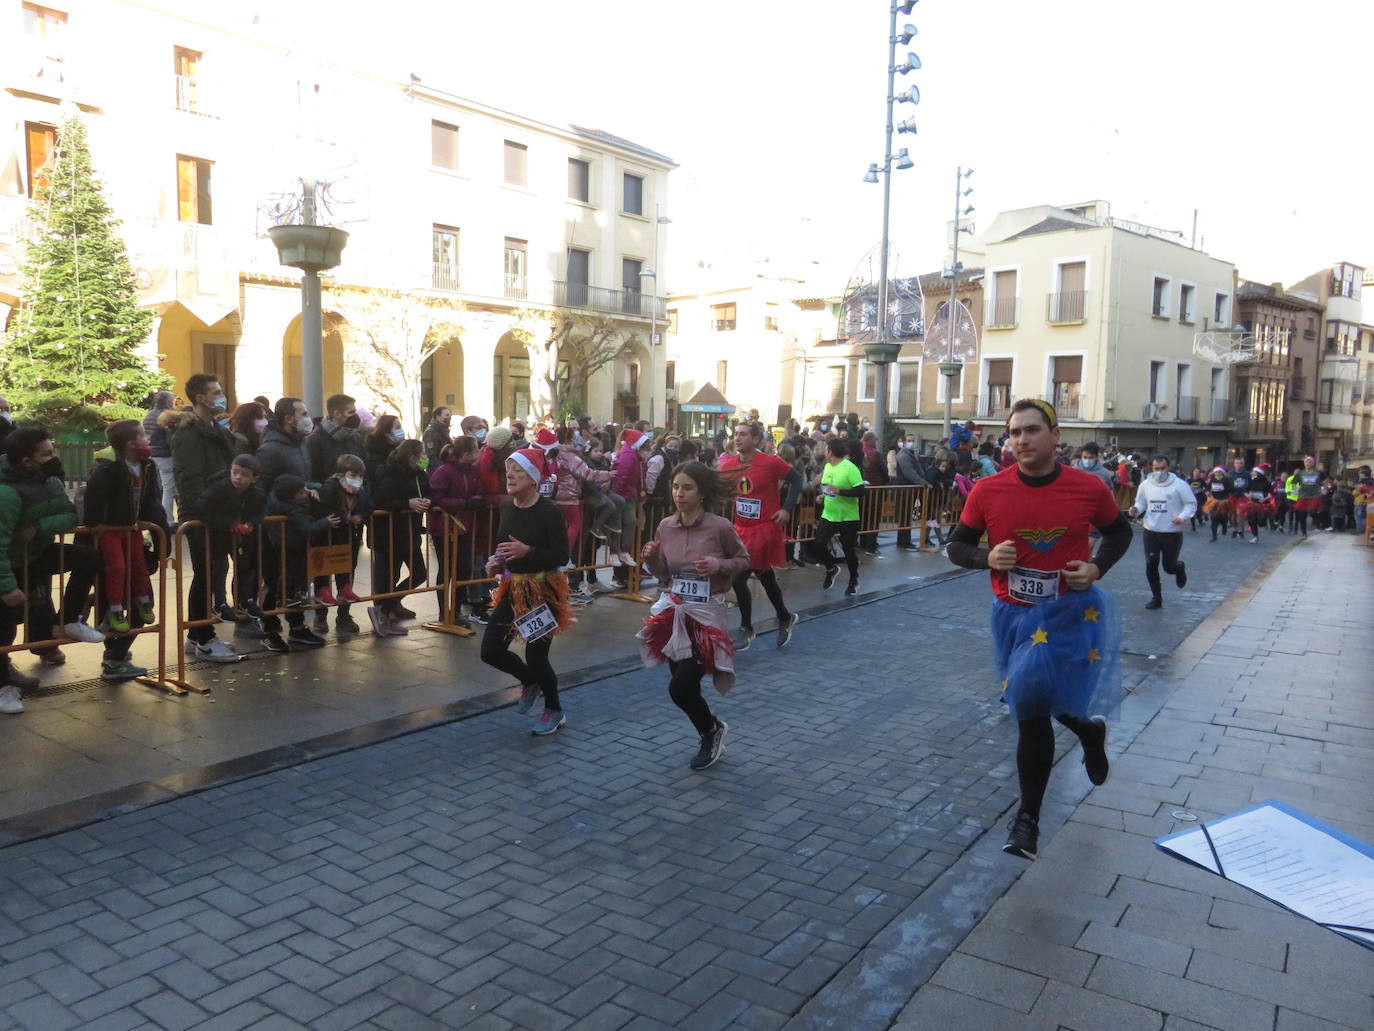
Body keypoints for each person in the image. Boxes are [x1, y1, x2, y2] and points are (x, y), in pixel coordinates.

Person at [947, 398, 1132, 860]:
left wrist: (1095, 568)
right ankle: (1088, 732)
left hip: (1070, 613)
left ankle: (1026, 821)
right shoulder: (988, 490)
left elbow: (1120, 532)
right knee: (1031, 697)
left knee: (1028, 701)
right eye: (1014, 433)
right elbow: (957, 546)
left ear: (1054, 435)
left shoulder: (1087, 487)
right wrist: (984, 558)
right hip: (1011, 614)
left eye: (1031, 430)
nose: (1022, 440)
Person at [638, 461, 750, 769]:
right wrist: (651, 560)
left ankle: (709, 732)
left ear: (701, 493)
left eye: (687, 488)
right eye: (675, 487)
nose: (679, 494)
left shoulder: (719, 527)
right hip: (675, 614)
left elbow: (743, 559)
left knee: (680, 686)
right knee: (683, 685)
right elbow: (664, 575)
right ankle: (711, 728)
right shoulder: (665, 526)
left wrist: (718, 566)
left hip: (706, 617)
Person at [0, 427, 106, 712]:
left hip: (34, 554)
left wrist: (38, 529)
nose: (54, 457)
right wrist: (7, 586)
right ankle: (2, 687)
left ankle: (69, 619)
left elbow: (70, 515)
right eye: (46, 454)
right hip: (7, 563)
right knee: (3, 625)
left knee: (88, 558)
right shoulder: (6, 494)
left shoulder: (50, 482)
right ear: (26, 461)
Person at [480, 447, 572, 735]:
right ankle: (529, 681)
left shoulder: (549, 512)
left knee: (537, 655)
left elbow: (561, 555)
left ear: (533, 478)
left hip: (544, 591)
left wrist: (528, 551)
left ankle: (554, 709)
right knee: (491, 651)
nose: (510, 475)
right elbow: (503, 548)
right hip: (513, 587)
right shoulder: (506, 507)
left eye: (517, 470)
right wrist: (496, 563)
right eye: (508, 470)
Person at [162, 373, 240, 663]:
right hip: (202, 515)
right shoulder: (188, 434)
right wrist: (204, 510)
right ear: (200, 398)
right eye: (216, 391)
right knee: (206, 575)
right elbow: (189, 478)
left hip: (219, 511)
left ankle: (197, 635)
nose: (222, 395)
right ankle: (203, 637)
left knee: (212, 574)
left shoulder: (214, 430)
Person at [717, 422, 801, 649]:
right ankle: (785, 616)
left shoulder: (770, 462)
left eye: (743, 434)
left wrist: (787, 509)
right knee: (765, 576)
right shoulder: (729, 465)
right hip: (741, 529)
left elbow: (797, 479)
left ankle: (746, 628)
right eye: (735, 434)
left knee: (738, 577)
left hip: (764, 529)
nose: (737, 438)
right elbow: (719, 489)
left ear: (756, 440)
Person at [84, 420, 167, 635]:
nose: (148, 438)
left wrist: (147, 519)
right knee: (117, 567)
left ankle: (142, 600)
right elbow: (93, 497)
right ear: (131, 443)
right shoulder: (108, 466)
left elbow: (151, 496)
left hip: (132, 527)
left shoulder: (147, 464)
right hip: (110, 529)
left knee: (138, 563)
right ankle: (114, 608)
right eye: (143, 435)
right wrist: (95, 523)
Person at [306, 395, 364, 632]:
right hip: (327, 511)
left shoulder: (354, 438)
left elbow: (362, 468)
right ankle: (321, 614)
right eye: (350, 411)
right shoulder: (316, 440)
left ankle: (344, 613)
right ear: (337, 413)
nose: (354, 415)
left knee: (346, 562)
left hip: (351, 509)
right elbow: (313, 476)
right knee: (323, 564)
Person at [369, 438, 432, 636]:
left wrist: (429, 501)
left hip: (410, 533)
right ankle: (382, 612)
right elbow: (380, 501)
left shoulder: (419, 474)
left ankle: (388, 605)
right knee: (388, 576)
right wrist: (407, 503)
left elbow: (430, 492)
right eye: (422, 455)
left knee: (420, 573)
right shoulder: (390, 473)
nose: (425, 458)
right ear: (412, 457)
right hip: (389, 535)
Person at [201, 454, 266, 628]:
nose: (238, 477)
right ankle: (220, 603)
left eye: (244, 474)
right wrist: (229, 523)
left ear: (254, 478)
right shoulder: (218, 489)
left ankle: (245, 599)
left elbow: (260, 512)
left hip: (241, 537)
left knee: (244, 566)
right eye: (235, 472)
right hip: (219, 535)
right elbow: (203, 509)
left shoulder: (257, 494)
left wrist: (251, 523)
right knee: (221, 567)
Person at [311, 454, 371, 634]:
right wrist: (344, 517)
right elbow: (321, 509)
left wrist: (361, 516)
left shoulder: (361, 491)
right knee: (322, 573)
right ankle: (320, 615)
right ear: (340, 474)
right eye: (353, 475)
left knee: (347, 570)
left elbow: (369, 506)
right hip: (326, 538)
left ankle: (344, 612)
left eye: (360, 476)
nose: (357, 480)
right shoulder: (329, 488)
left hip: (349, 538)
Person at [1128, 456, 1194, 610]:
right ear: (1152, 468)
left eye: (1162, 468)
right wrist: (1136, 510)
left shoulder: (1180, 485)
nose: (1159, 472)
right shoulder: (1145, 485)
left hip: (1172, 531)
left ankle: (1178, 568)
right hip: (1151, 530)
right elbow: (1141, 502)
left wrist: (1182, 517)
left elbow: (1190, 504)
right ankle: (1156, 598)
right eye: (1156, 469)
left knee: (1168, 567)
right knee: (1151, 564)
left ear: (1168, 468)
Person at [812, 437, 865, 597]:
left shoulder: (850, 468)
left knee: (848, 550)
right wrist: (822, 496)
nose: (824, 452)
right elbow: (828, 488)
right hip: (829, 514)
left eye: (826, 449)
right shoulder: (827, 467)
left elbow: (861, 491)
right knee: (818, 545)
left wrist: (841, 491)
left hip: (847, 517)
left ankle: (853, 581)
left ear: (831, 452)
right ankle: (831, 568)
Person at [143, 389, 177, 522]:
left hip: (151, 455)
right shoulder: (166, 416)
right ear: (168, 402)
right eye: (172, 401)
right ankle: (167, 520)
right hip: (165, 456)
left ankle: (161, 518)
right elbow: (169, 440)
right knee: (169, 489)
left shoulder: (149, 415)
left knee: (158, 489)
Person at [1289, 456, 1323, 537]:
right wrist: (1297, 488)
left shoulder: (1318, 473)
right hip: (1303, 497)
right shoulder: (1300, 473)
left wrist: (1324, 489)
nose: (1308, 463)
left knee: (1314, 513)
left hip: (1314, 497)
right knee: (1302, 516)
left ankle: (1320, 525)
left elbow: (1326, 481)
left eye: (1310, 462)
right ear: (1304, 464)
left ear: (1313, 463)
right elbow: (1293, 483)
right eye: (1306, 462)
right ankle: (1304, 532)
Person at [1203, 467, 1232, 542]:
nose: (1218, 473)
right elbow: (1207, 488)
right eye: (1216, 472)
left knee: (1223, 516)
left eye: (1219, 472)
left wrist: (1224, 489)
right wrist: (1207, 492)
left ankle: (1224, 524)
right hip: (1214, 500)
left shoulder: (1226, 480)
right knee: (1213, 517)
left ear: (1222, 473)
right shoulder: (1212, 480)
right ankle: (1214, 536)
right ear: (1214, 473)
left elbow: (1231, 489)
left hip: (1224, 500)